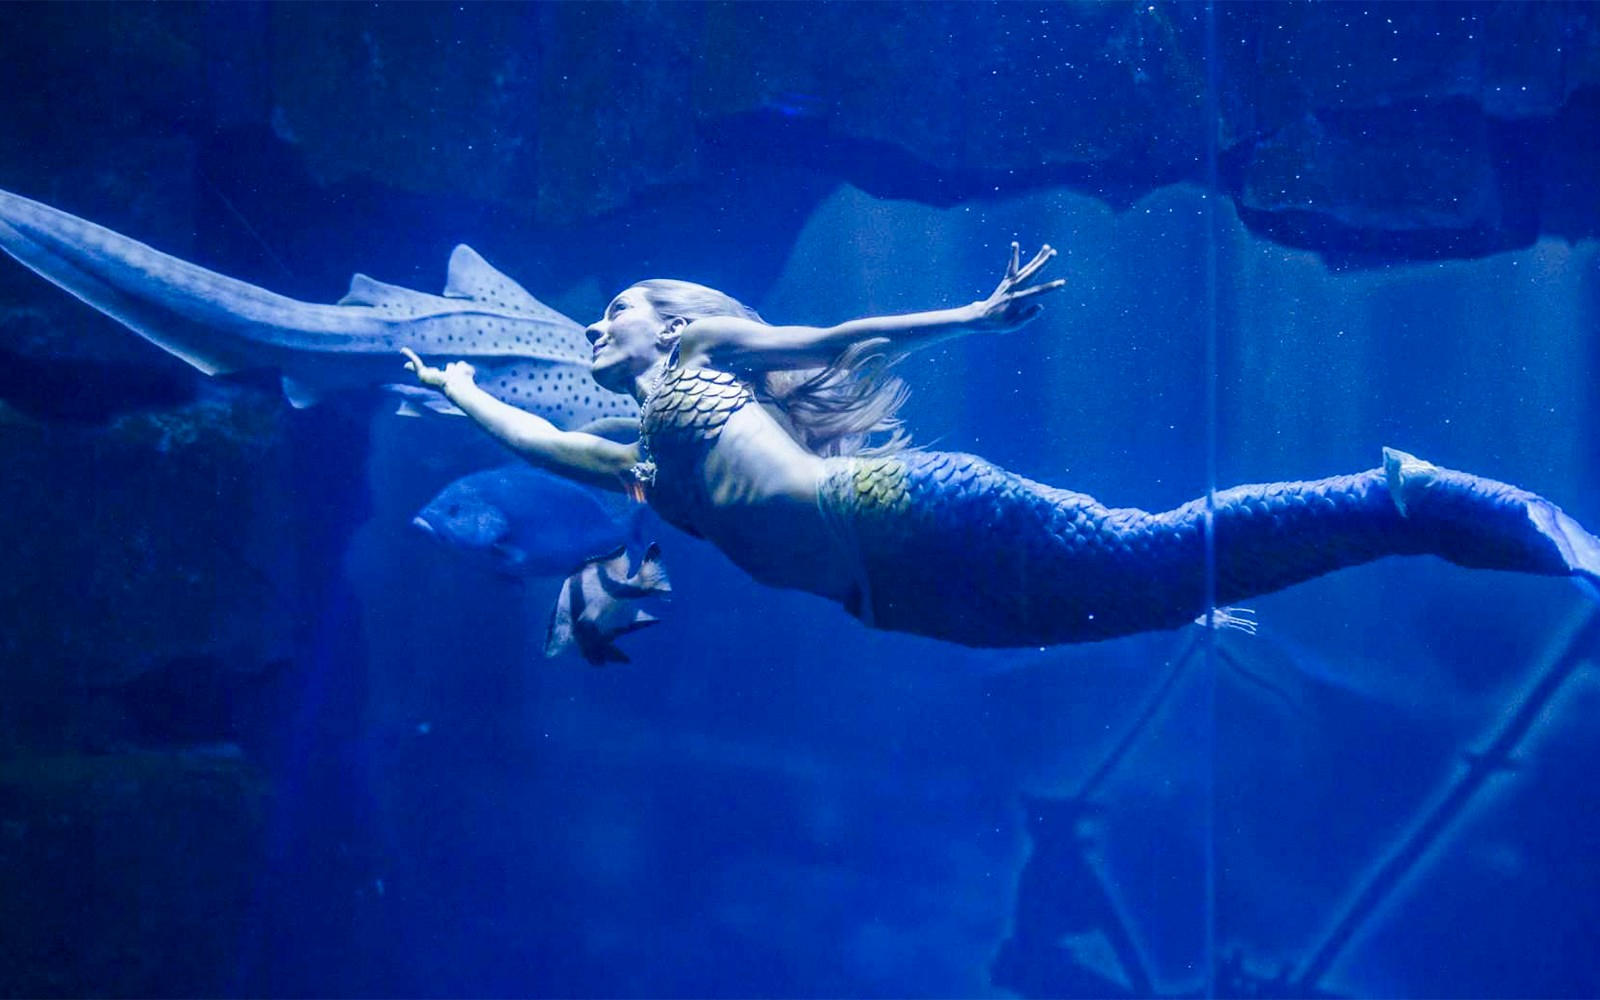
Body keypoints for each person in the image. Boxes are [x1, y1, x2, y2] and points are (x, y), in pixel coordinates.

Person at [402, 244, 1600, 648]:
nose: (598, 322)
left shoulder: (704, 357)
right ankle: (1430, 523)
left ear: (666, 318)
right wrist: (459, 388)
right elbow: (539, 436)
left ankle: (1411, 502)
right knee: (1160, 590)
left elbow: (835, 330)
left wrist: (970, 316)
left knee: (1159, 551)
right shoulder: (648, 469)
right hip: (915, 600)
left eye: (615, 306)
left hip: (904, 513)